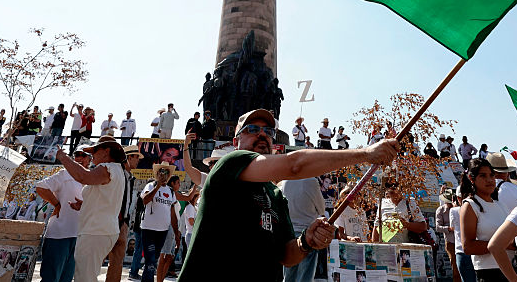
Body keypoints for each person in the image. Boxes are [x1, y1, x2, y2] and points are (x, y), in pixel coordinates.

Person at [178, 108, 398, 282]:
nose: (262, 134)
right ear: (236, 142)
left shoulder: (275, 192)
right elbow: (295, 165)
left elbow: (286, 255)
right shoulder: (227, 165)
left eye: (269, 131)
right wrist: (366, 154)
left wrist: (307, 241)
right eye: (252, 129)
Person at [55, 137, 128, 282]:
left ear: (107, 151)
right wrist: (85, 204)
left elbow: (83, 176)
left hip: (96, 231)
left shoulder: (108, 168)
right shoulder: (117, 170)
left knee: (85, 277)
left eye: (95, 150)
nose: (91, 154)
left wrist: (64, 158)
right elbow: (106, 200)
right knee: (86, 275)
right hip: (101, 230)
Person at [35, 144, 86, 282]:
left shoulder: (90, 180)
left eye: (84, 155)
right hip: (59, 235)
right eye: (77, 155)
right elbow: (40, 187)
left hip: (77, 236)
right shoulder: (65, 174)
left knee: (67, 278)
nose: (80, 158)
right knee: (51, 278)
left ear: (90, 159)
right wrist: (57, 204)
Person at [460, 158, 511, 282]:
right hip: (489, 272)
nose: (489, 180)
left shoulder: (500, 205)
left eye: (491, 175)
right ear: (472, 179)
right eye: (483, 176)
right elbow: (468, 247)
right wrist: (502, 244)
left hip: (509, 268)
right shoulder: (470, 206)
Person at [105, 145, 142, 282]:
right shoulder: (115, 172)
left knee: (117, 262)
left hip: (122, 222)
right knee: (96, 260)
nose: (138, 160)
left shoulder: (130, 178)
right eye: (136, 157)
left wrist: (125, 222)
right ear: (128, 157)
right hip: (110, 220)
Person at [280, 176, 326, 282]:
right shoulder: (311, 180)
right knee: (306, 277)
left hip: (290, 234)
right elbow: (321, 208)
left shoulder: (285, 180)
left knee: (289, 277)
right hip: (308, 235)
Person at [139, 167, 180, 282]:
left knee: (153, 260)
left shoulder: (170, 191)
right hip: (149, 229)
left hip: (162, 231)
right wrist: (157, 187)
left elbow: (172, 215)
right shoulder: (150, 186)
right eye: (161, 172)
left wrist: (176, 234)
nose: (164, 175)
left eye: (166, 173)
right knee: (150, 260)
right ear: (157, 174)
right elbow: (145, 200)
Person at [449, 186, 476, 282]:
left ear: (458, 197)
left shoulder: (453, 211)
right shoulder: (476, 209)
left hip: (461, 251)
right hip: (475, 250)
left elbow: (452, 228)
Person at [436, 188, 462, 282]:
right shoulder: (441, 210)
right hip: (451, 241)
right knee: (455, 266)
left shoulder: (459, 208)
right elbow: (438, 227)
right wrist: (448, 229)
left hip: (461, 240)